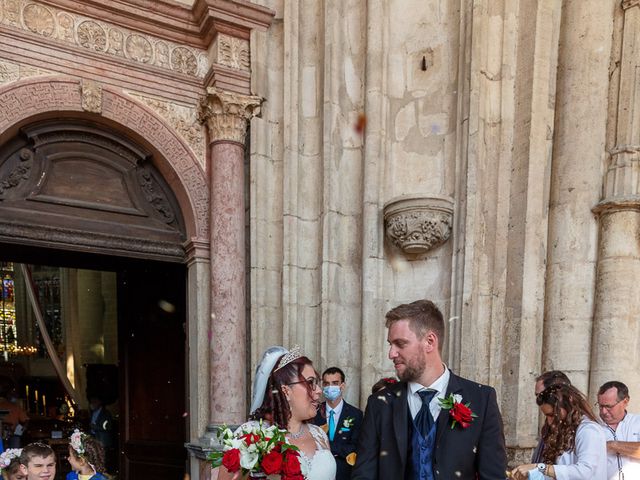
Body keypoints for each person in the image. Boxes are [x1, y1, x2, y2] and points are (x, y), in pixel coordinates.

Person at [352, 299, 507, 479]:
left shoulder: (481, 399)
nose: (391, 354)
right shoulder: (380, 404)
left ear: (430, 342)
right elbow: (364, 475)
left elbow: (494, 475)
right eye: (390, 344)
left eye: (400, 344)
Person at [217, 345, 336, 480]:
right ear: (286, 391)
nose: (319, 390)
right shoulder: (252, 435)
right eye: (310, 383)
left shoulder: (319, 435)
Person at [511, 384, 607, 480]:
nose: (549, 421)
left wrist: (540, 468)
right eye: (546, 416)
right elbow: (559, 471)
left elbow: (585, 471)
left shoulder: (588, 430)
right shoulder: (564, 429)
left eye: (553, 415)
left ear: (568, 407)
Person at [311, 367, 363, 480]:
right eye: (326, 383)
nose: (330, 387)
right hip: (318, 472)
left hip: (344, 473)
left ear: (342, 386)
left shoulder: (355, 414)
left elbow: (355, 447)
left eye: (335, 383)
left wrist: (327, 446)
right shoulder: (314, 412)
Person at [596, 381, 640, 479]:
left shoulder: (638, 422)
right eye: (600, 406)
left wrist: (613, 445)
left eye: (609, 406)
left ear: (625, 401)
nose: (603, 411)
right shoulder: (591, 426)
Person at [532, 371, 572, 463]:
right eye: (537, 395)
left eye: (541, 395)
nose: (539, 399)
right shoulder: (548, 426)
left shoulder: (585, 429)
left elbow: (584, 470)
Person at [0, 380, 28, 449]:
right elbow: (26, 421)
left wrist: (20, 430)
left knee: (14, 453)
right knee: (13, 454)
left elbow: (26, 420)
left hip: (13, 434)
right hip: (5, 434)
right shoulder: (15, 406)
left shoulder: (16, 406)